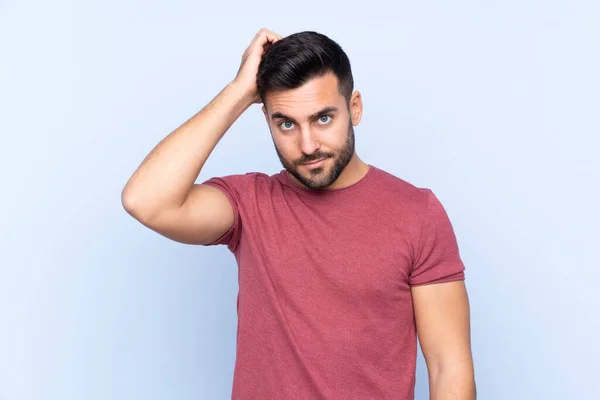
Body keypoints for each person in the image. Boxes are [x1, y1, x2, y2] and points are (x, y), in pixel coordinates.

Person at [121, 28, 476, 400]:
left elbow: (448, 365)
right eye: (286, 123)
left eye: (323, 118)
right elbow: (146, 201)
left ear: (354, 108)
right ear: (268, 121)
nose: (307, 145)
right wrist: (239, 92)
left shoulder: (417, 213)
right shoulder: (249, 204)